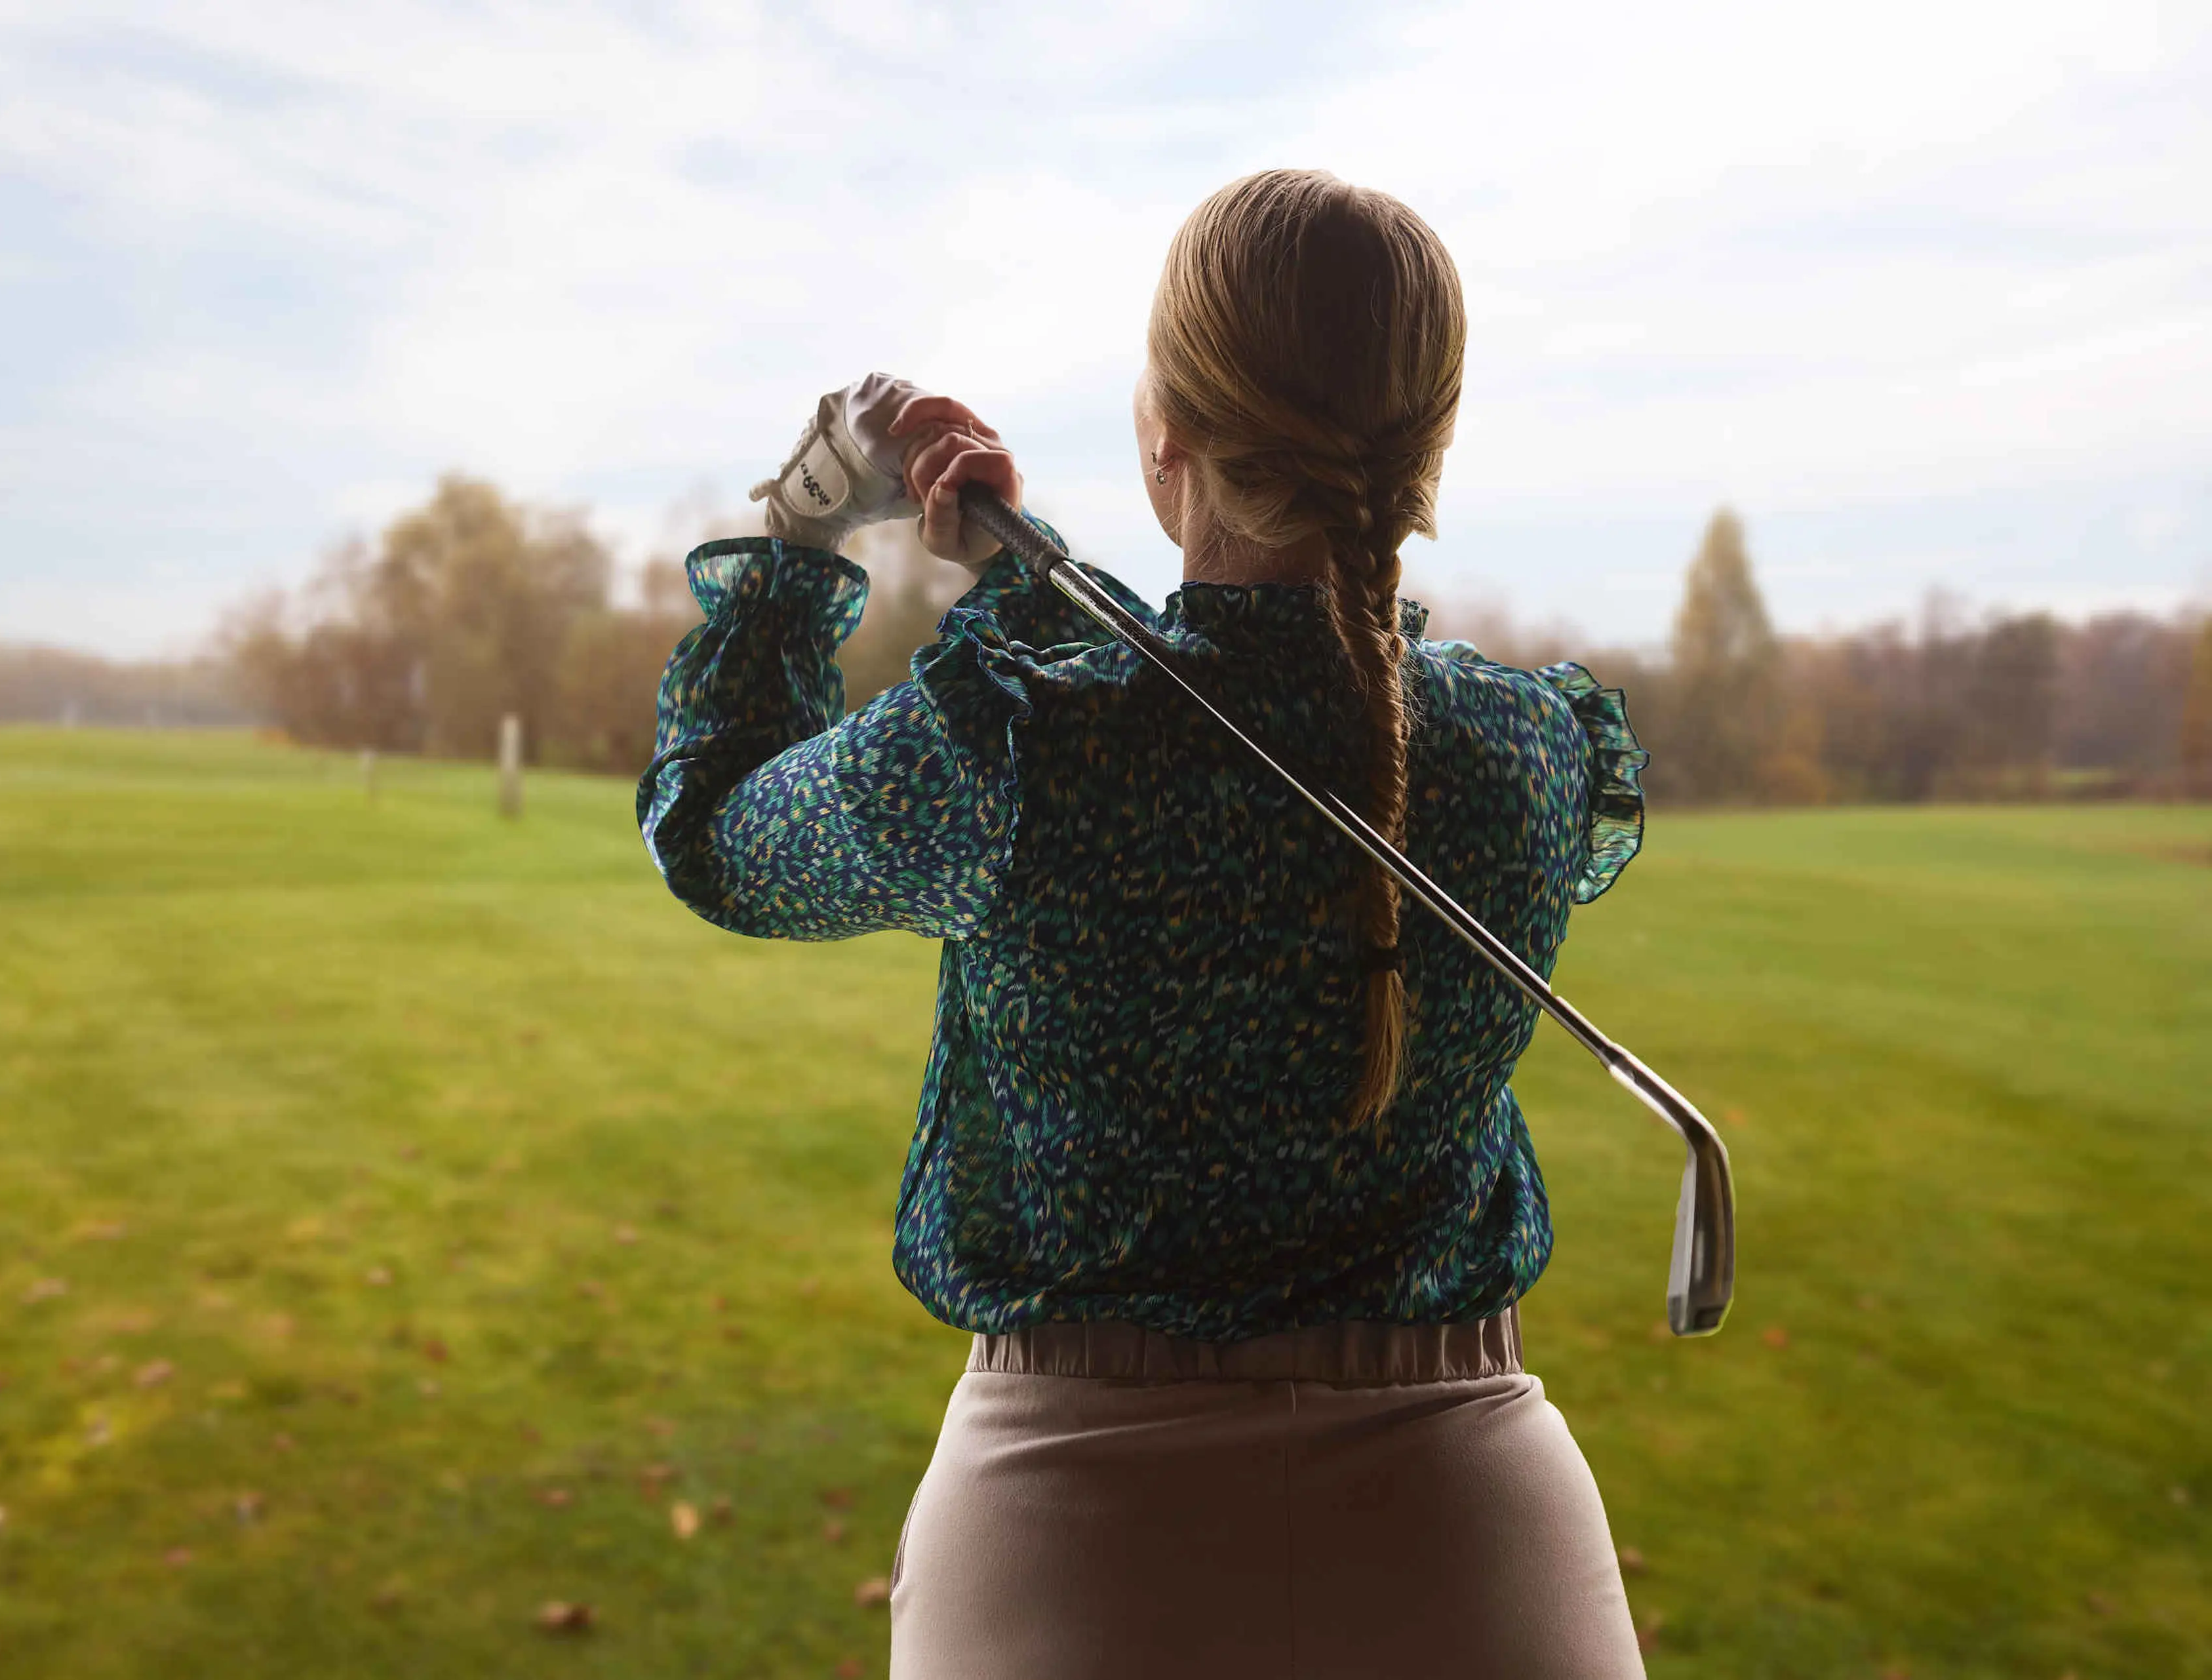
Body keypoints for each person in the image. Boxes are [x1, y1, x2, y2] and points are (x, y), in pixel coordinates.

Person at [638, 169, 1652, 1679]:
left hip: (1079, 1544)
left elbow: (715, 830)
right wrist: (1035, 597)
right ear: (1428, 446)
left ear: (1164, 434)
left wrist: (803, 534)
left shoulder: (1011, 751)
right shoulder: (1533, 753)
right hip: (1478, 1540)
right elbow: (1281, 714)